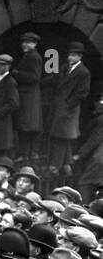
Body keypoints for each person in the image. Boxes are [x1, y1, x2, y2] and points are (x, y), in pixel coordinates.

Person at [48, 42, 93, 172]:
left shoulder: (84, 72)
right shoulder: (64, 68)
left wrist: (68, 105)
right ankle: (67, 164)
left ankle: (55, 166)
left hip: (69, 110)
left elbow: (82, 93)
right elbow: (54, 79)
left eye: (73, 55)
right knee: (63, 135)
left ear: (80, 56)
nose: (70, 58)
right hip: (60, 107)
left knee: (60, 136)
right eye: (69, 55)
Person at [13, 32, 44, 160]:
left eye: (28, 42)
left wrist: (17, 73)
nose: (24, 44)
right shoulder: (29, 56)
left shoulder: (34, 57)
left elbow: (35, 77)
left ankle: (27, 154)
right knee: (26, 126)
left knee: (27, 126)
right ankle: (26, 154)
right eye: (23, 42)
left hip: (29, 97)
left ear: (35, 44)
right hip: (28, 96)